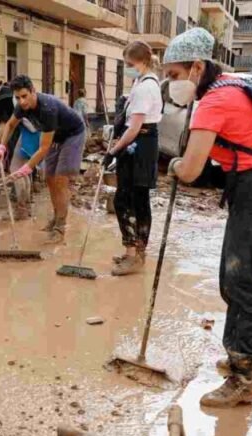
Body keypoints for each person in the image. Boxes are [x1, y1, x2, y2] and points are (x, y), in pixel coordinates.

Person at [163, 27, 252, 407]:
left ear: (197, 67)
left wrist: (174, 164)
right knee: (236, 279)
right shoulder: (230, 87)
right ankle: (246, 355)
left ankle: (245, 377)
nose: (170, 83)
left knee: (243, 284)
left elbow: (189, 170)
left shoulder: (214, 101)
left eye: (174, 75)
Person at [0, 75, 86, 243]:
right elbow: (10, 124)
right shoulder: (22, 107)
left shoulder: (47, 108)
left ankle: (60, 227)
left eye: (24, 96)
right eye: (17, 98)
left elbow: (44, 148)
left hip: (73, 135)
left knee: (60, 179)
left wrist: (27, 167)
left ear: (33, 92)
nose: (21, 101)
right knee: (49, 178)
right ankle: (56, 217)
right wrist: (2, 146)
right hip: (55, 137)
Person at [102, 42, 163, 276]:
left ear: (143, 62)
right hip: (136, 143)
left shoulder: (147, 87)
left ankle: (136, 255)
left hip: (140, 145)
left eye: (129, 64)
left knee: (134, 200)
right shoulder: (140, 82)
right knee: (126, 199)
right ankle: (132, 252)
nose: (127, 68)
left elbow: (135, 127)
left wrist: (113, 151)